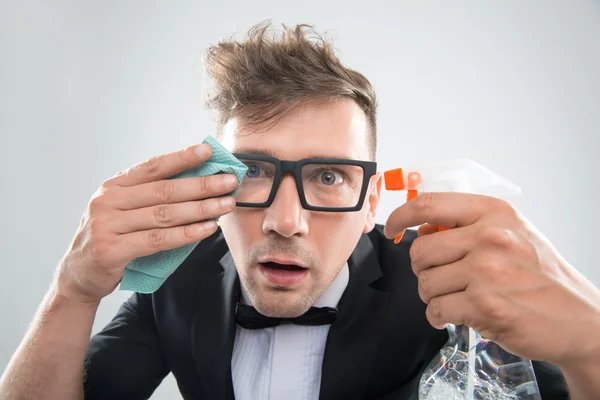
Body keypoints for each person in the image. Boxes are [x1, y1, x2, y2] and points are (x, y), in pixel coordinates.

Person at [1, 22, 600, 400]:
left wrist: (591, 342)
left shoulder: (441, 284)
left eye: (329, 176)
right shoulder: (176, 282)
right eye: (255, 171)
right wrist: (71, 290)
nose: (285, 220)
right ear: (213, 186)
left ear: (370, 201)